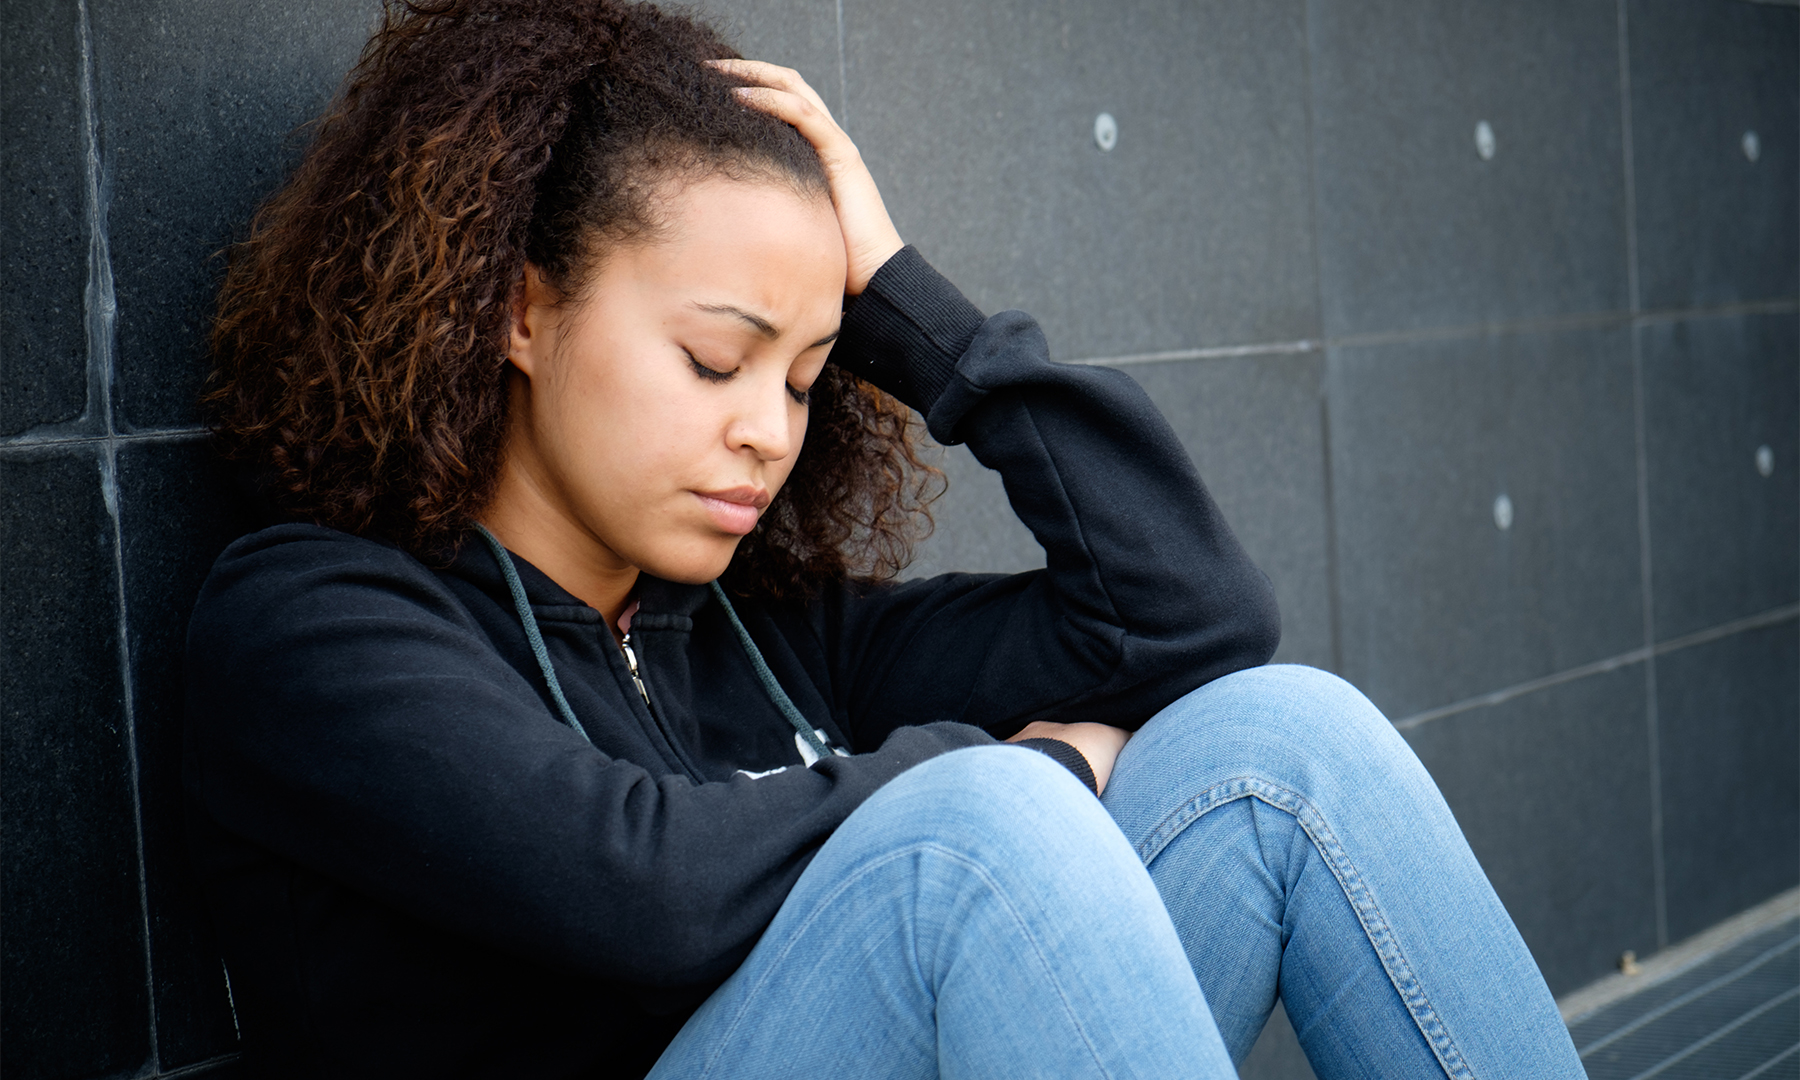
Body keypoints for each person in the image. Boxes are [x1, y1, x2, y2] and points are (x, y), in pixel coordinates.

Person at [186, 1, 1587, 1077]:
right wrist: (1025, 769)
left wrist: (913, 310)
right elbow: (645, 891)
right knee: (974, 831)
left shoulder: (769, 638)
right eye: (714, 359)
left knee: (1287, 743)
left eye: (803, 381)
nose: (768, 432)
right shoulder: (315, 621)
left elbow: (1192, 616)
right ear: (521, 312)